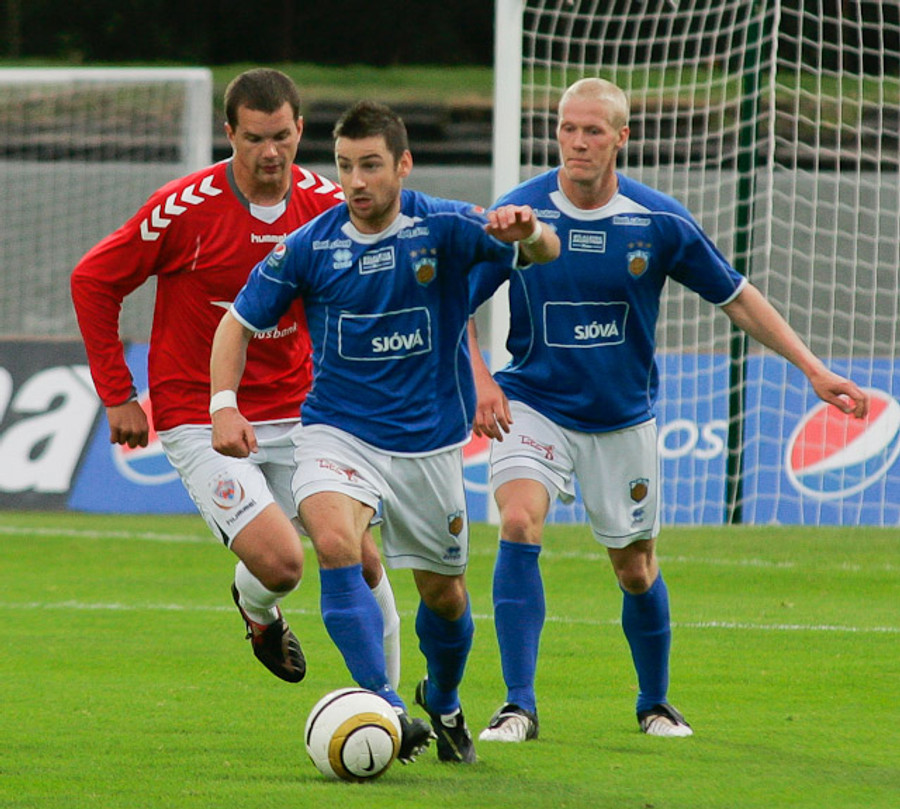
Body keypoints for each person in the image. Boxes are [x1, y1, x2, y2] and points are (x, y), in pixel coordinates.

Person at [467, 77, 870, 742]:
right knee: (517, 521)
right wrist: (480, 378)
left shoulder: (657, 220)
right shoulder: (521, 212)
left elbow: (736, 296)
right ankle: (518, 705)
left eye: (593, 130)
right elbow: (460, 298)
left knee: (635, 566)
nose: (577, 142)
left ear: (621, 138)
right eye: (567, 128)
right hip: (534, 403)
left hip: (622, 416)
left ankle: (654, 702)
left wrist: (814, 369)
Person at [209, 99, 560, 764]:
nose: (356, 181)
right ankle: (386, 704)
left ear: (403, 164)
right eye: (345, 166)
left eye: (370, 165)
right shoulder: (311, 245)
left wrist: (530, 230)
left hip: (429, 444)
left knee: (445, 597)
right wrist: (224, 404)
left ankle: (444, 700)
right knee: (335, 542)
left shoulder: (445, 227)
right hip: (337, 433)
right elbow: (238, 322)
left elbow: (544, 252)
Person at [70, 68, 402, 689]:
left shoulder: (328, 207)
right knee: (282, 564)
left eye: (281, 136)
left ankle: (390, 709)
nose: (270, 152)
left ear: (300, 128)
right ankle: (257, 609)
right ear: (229, 134)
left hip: (302, 410)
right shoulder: (182, 209)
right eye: (254, 139)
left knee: (358, 555)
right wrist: (117, 393)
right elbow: (93, 280)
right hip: (199, 412)